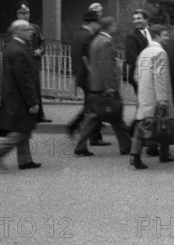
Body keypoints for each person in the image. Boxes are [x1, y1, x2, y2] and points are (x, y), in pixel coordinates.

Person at [0, 20, 41, 170]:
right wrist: (32, 101)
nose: (32, 32)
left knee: (24, 127)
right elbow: (24, 79)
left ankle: (25, 160)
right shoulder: (18, 51)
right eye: (28, 29)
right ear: (19, 32)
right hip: (20, 97)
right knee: (21, 130)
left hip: (13, 95)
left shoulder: (14, 47)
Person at [73, 17, 132, 158]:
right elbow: (105, 66)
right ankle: (127, 147)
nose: (116, 27)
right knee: (117, 118)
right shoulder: (106, 42)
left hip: (95, 85)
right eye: (114, 25)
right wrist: (109, 87)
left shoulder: (96, 40)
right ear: (109, 27)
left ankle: (80, 146)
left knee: (93, 118)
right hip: (105, 87)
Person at [131, 24, 174, 166]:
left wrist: (144, 89)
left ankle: (135, 154)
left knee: (142, 125)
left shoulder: (144, 52)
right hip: (157, 95)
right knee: (164, 123)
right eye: (165, 34)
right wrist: (162, 98)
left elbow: (136, 75)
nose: (167, 38)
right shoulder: (160, 53)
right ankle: (164, 154)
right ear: (156, 36)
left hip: (145, 94)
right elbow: (160, 76)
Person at [65, 11, 110, 147]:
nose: (98, 26)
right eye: (96, 23)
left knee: (90, 106)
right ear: (92, 23)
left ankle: (80, 130)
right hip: (91, 77)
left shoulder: (78, 35)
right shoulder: (90, 36)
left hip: (82, 75)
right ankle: (92, 136)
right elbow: (90, 58)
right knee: (93, 108)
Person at [14, 0, 52, 123]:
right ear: (17, 15)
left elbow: (42, 42)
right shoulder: (14, 29)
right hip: (21, 64)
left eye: (28, 13)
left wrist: (40, 51)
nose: (26, 15)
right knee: (22, 88)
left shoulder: (34, 28)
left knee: (35, 88)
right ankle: (24, 115)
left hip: (34, 63)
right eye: (23, 13)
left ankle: (39, 115)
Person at [125, 9, 152, 95]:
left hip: (153, 73)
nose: (136, 21)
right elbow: (132, 57)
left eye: (139, 18)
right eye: (134, 19)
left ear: (146, 19)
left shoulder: (152, 33)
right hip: (140, 74)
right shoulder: (131, 36)